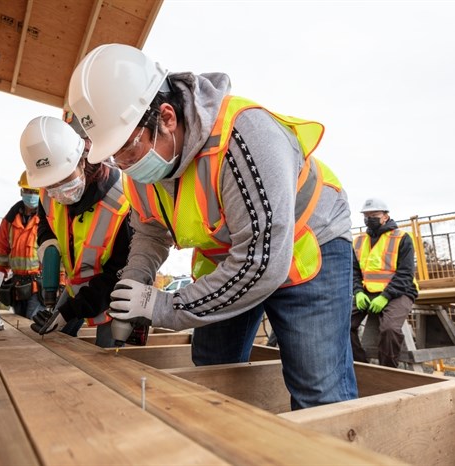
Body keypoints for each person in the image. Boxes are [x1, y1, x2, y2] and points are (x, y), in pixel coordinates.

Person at [68, 43, 357, 409]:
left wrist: (164, 307)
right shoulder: (145, 160)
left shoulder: (244, 138)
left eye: (127, 149)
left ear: (167, 118)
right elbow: (151, 229)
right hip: (232, 256)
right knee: (212, 369)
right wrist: (136, 281)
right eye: (114, 155)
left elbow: (260, 263)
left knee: (319, 389)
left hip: (305, 244)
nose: (123, 164)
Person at [19, 114, 132, 348]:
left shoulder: (122, 202)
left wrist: (69, 311)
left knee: (108, 363)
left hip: (115, 292)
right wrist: (48, 243)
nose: (57, 190)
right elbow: (45, 224)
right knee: (50, 342)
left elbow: (117, 273)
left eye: (62, 178)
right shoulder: (47, 193)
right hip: (76, 287)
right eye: (49, 183)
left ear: (81, 160)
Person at [350, 198, 419, 368]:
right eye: (366, 215)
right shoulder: (358, 241)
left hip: (399, 292)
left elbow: (405, 273)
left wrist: (385, 296)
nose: (369, 218)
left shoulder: (402, 238)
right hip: (366, 292)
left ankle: (388, 372)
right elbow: (353, 271)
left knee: (389, 330)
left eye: (374, 215)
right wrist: (358, 292)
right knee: (342, 325)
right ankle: (361, 367)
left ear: (386, 216)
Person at [0, 173, 46, 320]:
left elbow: (55, 254)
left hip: (38, 285)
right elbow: (2, 253)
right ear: (21, 191)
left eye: (35, 192)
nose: (31, 195)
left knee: (32, 323)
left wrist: (59, 283)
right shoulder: (9, 221)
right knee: (18, 322)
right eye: (28, 191)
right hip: (17, 285)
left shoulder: (46, 220)